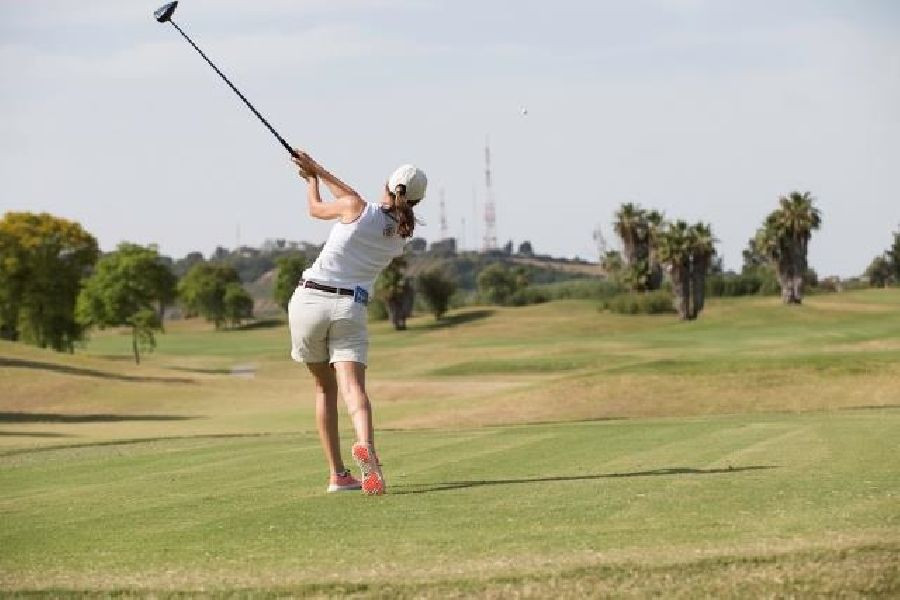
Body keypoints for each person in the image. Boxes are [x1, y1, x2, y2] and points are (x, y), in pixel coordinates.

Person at [288, 150, 426, 496]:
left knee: (324, 389)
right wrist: (317, 169)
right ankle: (366, 448)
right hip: (349, 307)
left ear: (387, 184)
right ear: (416, 201)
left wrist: (311, 180)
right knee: (353, 389)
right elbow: (353, 198)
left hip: (309, 301)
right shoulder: (400, 235)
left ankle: (338, 475)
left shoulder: (355, 207)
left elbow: (317, 209)